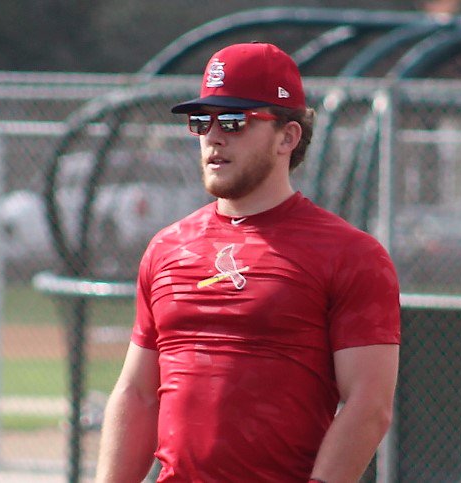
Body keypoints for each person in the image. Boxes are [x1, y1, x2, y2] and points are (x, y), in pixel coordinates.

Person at [95, 42, 401, 483]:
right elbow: (138, 393)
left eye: (234, 122)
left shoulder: (350, 255)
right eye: (201, 122)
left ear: (287, 137)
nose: (213, 137)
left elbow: (368, 406)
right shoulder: (168, 247)